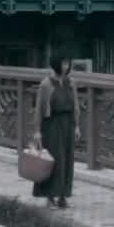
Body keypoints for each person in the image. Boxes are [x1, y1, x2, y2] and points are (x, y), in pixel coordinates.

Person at [31, 54, 80, 209]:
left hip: (68, 124)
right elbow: (39, 109)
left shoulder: (71, 83)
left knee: (67, 160)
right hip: (51, 125)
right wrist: (37, 131)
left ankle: (63, 195)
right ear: (56, 64)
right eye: (63, 63)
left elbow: (76, 106)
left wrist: (77, 126)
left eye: (68, 63)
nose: (66, 66)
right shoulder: (45, 84)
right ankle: (50, 197)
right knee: (53, 160)